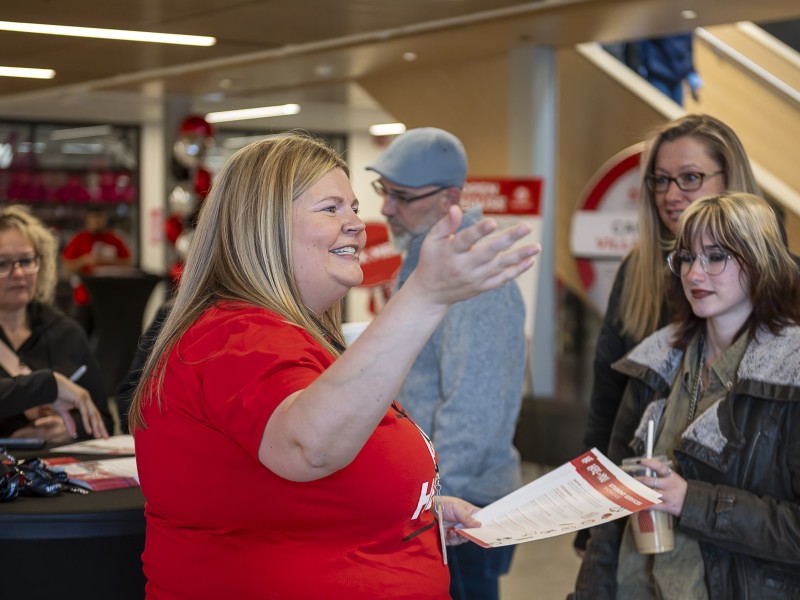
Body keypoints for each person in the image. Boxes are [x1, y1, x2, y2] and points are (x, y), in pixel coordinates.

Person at [129, 133, 540, 599]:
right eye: (331, 209)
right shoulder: (233, 337)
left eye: (354, 206)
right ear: (264, 227)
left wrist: (408, 507)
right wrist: (426, 296)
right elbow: (310, 446)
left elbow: (290, 494)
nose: (359, 224)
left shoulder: (286, 336)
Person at [572, 192, 800, 599]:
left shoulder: (791, 373)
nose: (694, 275)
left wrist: (691, 501)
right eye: (686, 258)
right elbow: (612, 511)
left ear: (761, 260)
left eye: (716, 257)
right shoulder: (655, 363)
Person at [366, 127, 528, 600]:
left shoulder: (476, 274)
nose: (386, 208)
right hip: (430, 494)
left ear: (450, 198)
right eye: (384, 192)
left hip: (463, 504)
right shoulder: (424, 261)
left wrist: (427, 501)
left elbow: (474, 412)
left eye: (402, 196)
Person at [583, 114, 761, 461]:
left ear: (731, 180)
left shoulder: (785, 278)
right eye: (661, 180)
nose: (671, 194)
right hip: (642, 489)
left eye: (690, 178)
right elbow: (607, 398)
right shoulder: (636, 271)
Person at [0, 205, 110, 442]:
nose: (18, 273)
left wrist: (69, 429)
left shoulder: (65, 332)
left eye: (27, 261)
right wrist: (47, 384)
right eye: (3, 264)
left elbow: (103, 419)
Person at [62, 204, 132, 335]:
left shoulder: (114, 239)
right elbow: (67, 267)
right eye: (93, 218)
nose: (97, 221)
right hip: (84, 298)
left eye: (99, 218)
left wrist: (111, 261)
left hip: (109, 298)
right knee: (81, 334)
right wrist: (85, 260)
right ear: (87, 219)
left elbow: (128, 262)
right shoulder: (79, 239)